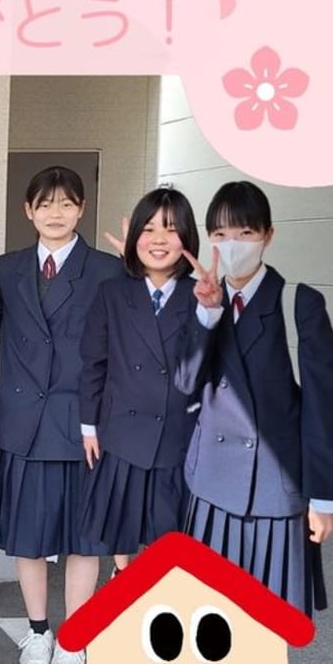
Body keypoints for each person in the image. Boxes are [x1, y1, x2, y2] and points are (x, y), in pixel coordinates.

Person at [176, 180, 333, 616]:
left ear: (268, 235)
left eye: (245, 232)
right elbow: (185, 383)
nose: (233, 244)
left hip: (272, 488)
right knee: (208, 616)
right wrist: (207, 314)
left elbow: (322, 408)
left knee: (267, 618)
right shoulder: (203, 298)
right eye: (221, 234)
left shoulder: (297, 301)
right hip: (211, 484)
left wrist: (323, 498)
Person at [0, 166, 122, 664]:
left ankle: (75, 638)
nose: (55, 213)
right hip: (26, 422)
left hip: (86, 424)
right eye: (45, 204)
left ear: (81, 209)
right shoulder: (7, 268)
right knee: (29, 537)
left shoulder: (109, 269)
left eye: (66, 203)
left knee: (84, 540)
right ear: (28, 210)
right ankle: (38, 631)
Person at [77, 188, 200, 575]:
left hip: (179, 435)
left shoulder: (202, 296)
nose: (159, 239)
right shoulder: (113, 292)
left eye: (171, 229)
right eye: (148, 229)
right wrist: (88, 425)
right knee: (121, 526)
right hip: (121, 431)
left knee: (169, 533)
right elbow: (93, 363)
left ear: (188, 238)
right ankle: (123, 576)